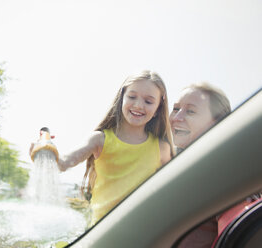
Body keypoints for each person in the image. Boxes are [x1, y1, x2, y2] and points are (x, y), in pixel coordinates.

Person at [51, 70, 175, 225]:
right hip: (103, 231)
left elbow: (170, 192)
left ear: (158, 108)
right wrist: (46, 151)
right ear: (122, 97)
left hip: (142, 232)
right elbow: (63, 163)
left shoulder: (161, 148)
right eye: (132, 97)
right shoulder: (99, 139)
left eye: (148, 102)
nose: (138, 105)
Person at [169, 82, 231, 248]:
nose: (176, 118)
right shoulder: (170, 166)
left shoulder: (224, 174)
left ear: (216, 122)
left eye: (190, 111)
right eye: (175, 109)